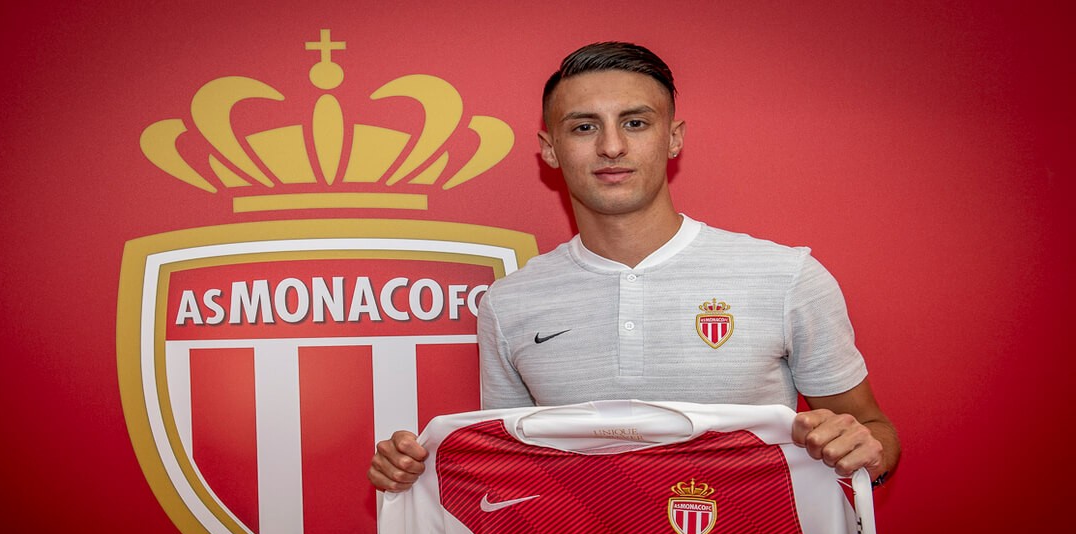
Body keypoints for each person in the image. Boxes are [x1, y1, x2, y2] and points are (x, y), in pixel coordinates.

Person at [369, 41, 899, 493]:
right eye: (583, 127)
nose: (612, 146)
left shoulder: (787, 277)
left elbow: (874, 431)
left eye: (635, 123)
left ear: (673, 137)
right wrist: (417, 472)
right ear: (550, 149)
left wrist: (867, 451)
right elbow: (510, 466)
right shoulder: (508, 303)